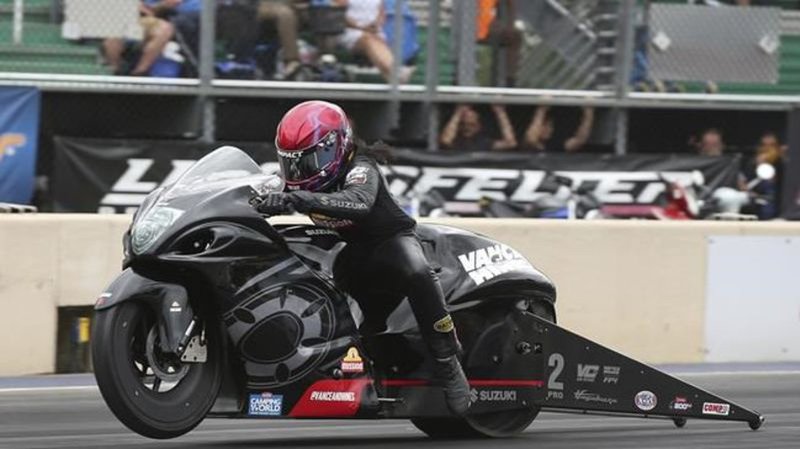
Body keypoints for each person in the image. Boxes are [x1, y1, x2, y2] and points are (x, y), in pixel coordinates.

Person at [255, 101, 471, 415]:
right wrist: (258, 200)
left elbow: (358, 202)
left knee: (417, 272)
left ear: (336, 146)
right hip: (349, 249)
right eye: (293, 163)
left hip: (390, 241)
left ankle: (448, 360)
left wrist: (295, 198)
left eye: (310, 160)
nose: (301, 171)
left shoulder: (361, 165)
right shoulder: (296, 179)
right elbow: (263, 187)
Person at [333, 0, 412, 83]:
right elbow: (339, 14)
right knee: (368, 39)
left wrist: (376, 25)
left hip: (374, 32)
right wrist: (361, 27)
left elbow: (381, 13)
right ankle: (396, 71)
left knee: (374, 40)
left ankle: (394, 77)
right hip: (350, 31)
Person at [102, 3, 175, 76]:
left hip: (152, 19)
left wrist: (154, 8)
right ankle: (115, 71)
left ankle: (139, 73)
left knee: (164, 29)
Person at [439, 104, 517, 151]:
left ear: (479, 127)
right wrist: (458, 113)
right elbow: (445, 140)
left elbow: (510, 143)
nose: (467, 128)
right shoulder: (456, 141)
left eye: (472, 125)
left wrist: (500, 112)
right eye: (463, 124)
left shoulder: (483, 142)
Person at [523, 105, 594, 152]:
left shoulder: (556, 146)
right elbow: (531, 139)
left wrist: (588, 114)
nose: (549, 130)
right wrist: (541, 110)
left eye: (550, 126)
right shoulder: (528, 146)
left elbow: (579, 140)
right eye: (545, 126)